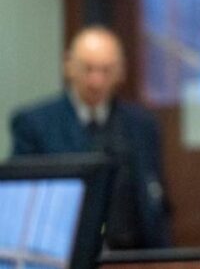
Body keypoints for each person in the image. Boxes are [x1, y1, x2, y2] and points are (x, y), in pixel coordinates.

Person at [10, 26, 171, 248]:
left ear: (120, 71)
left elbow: (154, 200)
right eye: (88, 69)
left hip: (130, 254)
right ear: (69, 66)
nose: (96, 81)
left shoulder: (141, 125)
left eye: (106, 70)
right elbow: (22, 204)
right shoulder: (34, 124)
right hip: (61, 254)